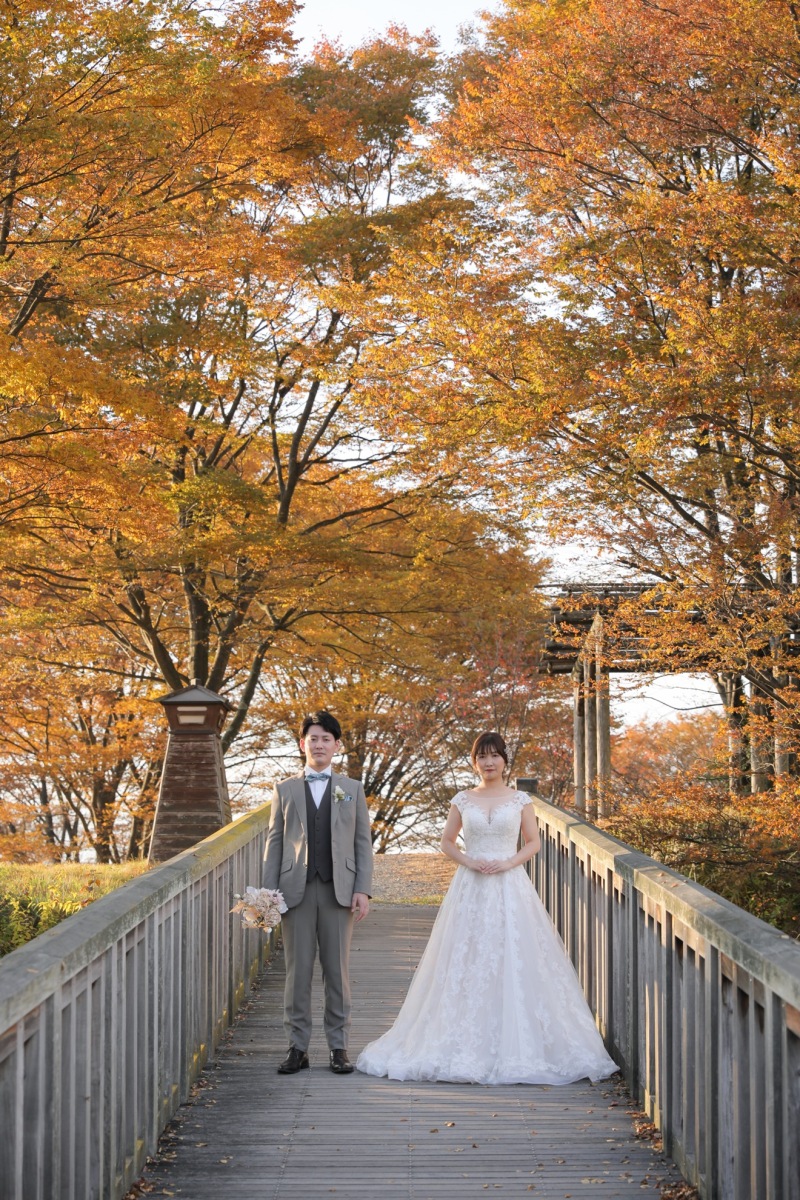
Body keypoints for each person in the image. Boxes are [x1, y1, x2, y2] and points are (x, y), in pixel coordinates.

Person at [356, 731, 618, 1085]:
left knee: (514, 954)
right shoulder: (463, 799)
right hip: (471, 885)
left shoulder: (520, 799)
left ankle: (519, 1042)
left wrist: (509, 863)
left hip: (511, 885)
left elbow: (533, 842)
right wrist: (469, 861)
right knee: (468, 956)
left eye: (495, 756)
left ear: (505, 760)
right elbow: (447, 842)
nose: (489, 762)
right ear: (474, 761)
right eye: (482, 757)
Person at [264, 710, 373, 1075]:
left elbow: (362, 844)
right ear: (302, 744)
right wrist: (268, 895)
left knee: (336, 971)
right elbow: (274, 842)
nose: (320, 744)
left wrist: (363, 890)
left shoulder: (352, 789)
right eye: (313, 738)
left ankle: (338, 1047)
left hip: (337, 891)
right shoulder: (284, 789)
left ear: (337, 746)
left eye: (327, 738)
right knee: (296, 972)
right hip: (293, 891)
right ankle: (297, 1047)